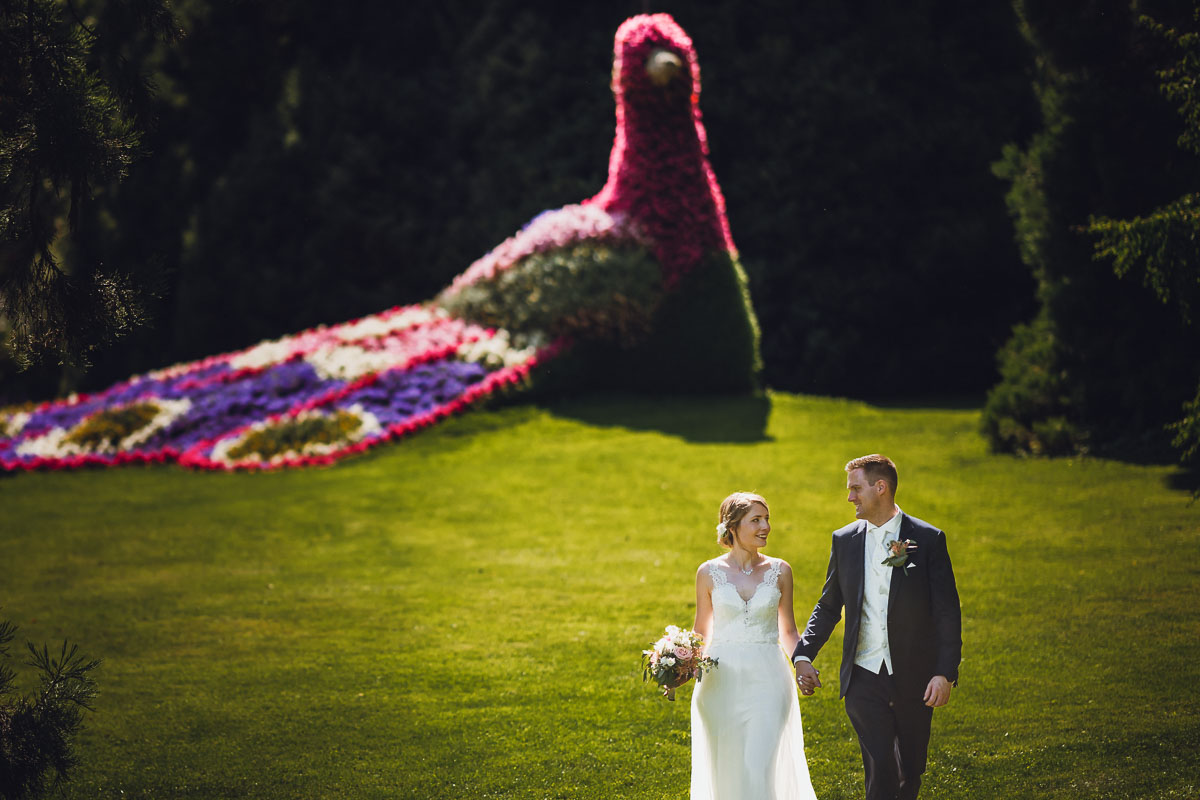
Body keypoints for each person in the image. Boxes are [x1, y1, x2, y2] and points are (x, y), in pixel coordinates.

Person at [793, 455, 962, 800]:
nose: (850, 497)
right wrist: (803, 653)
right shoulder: (845, 540)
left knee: (910, 769)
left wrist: (945, 673)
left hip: (915, 675)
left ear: (880, 487)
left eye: (856, 488)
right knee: (881, 763)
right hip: (863, 675)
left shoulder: (927, 539)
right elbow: (828, 606)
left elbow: (947, 612)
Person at [691, 492, 819, 800]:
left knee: (757, 764)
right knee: (728, 767)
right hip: (719, 682)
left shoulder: (781, 570)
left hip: (769, 678)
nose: (765, 527)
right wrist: (679, 665)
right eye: (756, 520)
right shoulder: (708, 573)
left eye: (767, 519)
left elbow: (788, 629)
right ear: (732, 527)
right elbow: (700, 631)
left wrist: (802, 661)